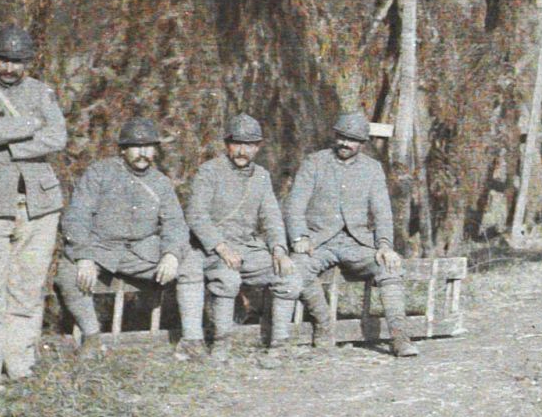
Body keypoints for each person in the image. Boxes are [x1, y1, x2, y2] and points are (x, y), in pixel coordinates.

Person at [0, 24, 68, 390]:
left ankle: (21, 367)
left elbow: (59, 136)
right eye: (3, 60)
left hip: (39, 204)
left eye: (17, 61)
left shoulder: (41, 90)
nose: (9, 68)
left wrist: (13, 141)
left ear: (28, 63)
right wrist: (34, 123)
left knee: (27, 289)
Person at [280, 111, 418, 358]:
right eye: (341, 137)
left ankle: (400, 337)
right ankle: (323, 325)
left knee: (390, 267)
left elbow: (382, 212)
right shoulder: (315, 162)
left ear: (362, 143)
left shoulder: (372, 169)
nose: (345, 143)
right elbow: (295, 205)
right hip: (319, 241)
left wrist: (385, 245)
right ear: (335, 136)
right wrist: (300, 238)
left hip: (358, 243)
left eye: (352, 139)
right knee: (298, 266)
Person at [58, 117, 192, 359]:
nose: (143, 153)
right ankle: (92, 336)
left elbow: (175, 223)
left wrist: (171, 254)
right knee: (68, 273)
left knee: (191, 264)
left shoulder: (160, 183)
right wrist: (84, 256)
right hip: (101, 248)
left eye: (148, 147)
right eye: (135, 147)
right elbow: (76, 216)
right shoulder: (100, 173)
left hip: (142, 250)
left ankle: (192, 339)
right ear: (122, 150)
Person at [179, 113, 299, 367]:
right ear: (227, 144)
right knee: (228, 278)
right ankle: (221, 344)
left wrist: (279, 249)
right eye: (237, 143)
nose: (243, 150)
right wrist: (221, 248)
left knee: (288, 276)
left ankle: (279, 345)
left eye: (250, 144)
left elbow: (272, 217)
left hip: (247, 247)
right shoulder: (209, 171)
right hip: (213, 248)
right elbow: (196, 215)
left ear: (258, 147)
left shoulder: (262, 176)